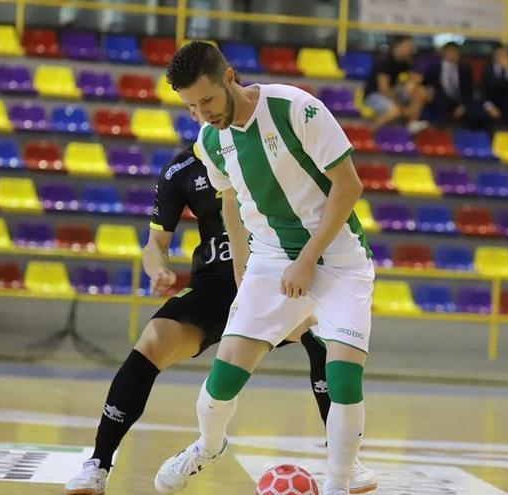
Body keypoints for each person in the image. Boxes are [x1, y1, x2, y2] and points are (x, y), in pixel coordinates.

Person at [63, 143, 377, 495]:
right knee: (153, 341)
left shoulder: (270, 146)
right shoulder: (180, 169)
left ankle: (345, 460)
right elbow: (155, 244)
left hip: (278, 271)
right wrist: (158, 269)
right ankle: (98, 464)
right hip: (214, 282)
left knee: (323, 333)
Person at [156, 41, 375, 495]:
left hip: (338, 256)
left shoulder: (297, 109)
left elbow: (349, 186)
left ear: (229, 76)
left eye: (208, 100)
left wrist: (307, 260)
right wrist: (242, 269)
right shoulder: (211, 141)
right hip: (272, 259)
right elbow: (231, 200)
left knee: (343, 375)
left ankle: (338, 484)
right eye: (191, 106)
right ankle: (207, 446)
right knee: (224, 376)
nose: (202, 114)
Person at [363, 35, 429, 133]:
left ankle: (412, 122)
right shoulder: (385, 61)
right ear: (398, 46)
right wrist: (402, 108)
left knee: (420, 91)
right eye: (408, 46)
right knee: (394, 111)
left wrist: (413, 83)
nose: (410, 49)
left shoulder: (405, 62)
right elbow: (384, 89)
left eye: (411, 46)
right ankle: (368, 134)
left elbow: (413, 79)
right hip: (374, 95)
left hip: (393, 93)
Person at [424, 41, 484, 128]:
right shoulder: (434, 69)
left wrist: (463, 105)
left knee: (475, 112)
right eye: (449, 52)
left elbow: (469, 90)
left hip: (460, 100)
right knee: (439, 100)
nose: (452, 54)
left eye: (455, 52)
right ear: (443, 53)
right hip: (440, 100)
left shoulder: (465, 69)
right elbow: (427, 85)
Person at [481, 42, 508, 128]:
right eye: (499, 54)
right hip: (492, 101)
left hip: (507, 102)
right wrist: (489, 107)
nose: (501, 56)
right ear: (494, 55)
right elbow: (484, 90)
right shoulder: (487, 68)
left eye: (504, 54)